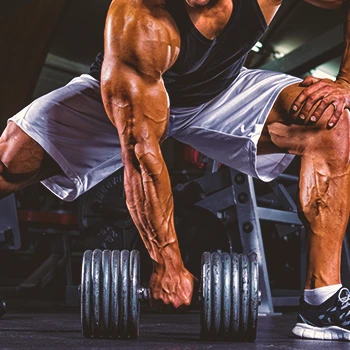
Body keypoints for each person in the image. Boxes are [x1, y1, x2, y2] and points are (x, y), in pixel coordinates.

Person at [1, 0, 350, 341]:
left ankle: (322, 302)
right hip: (129, 93)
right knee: (10, 160)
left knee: (331, 123)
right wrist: (167, 260)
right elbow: (141, 156)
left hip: (220, 90)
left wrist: (345, 83)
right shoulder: (138, 19)